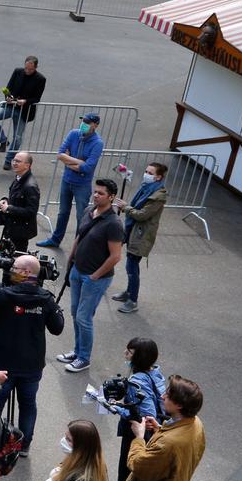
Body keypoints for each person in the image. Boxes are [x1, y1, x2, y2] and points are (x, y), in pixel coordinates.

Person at [0, 253, 63, 456]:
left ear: (26, 272)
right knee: (28, 404)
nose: (11, 270)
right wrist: (55, 309)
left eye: (15, 268)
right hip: (31, 365)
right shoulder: (45, 299)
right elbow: (57, 328)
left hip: (3, 363)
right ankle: (24, 444)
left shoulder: (5, 295)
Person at [55, 179, 124, 374]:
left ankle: (84, 358)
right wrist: (71, 258)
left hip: (95, 278)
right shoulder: (88, 211)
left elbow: (115, 256)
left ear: (111, 197)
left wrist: (95, 276)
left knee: (84, 318)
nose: (96, 195)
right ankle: (77, 351)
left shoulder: (113, 224)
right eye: (95, 192)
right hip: (77, 270)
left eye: (101, 193)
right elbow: (80, 235)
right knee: (75, 313)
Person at [106, 338, 166, 481]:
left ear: (138, 357)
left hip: (138, 435)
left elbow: (145, 415)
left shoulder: (136, 381)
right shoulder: (157, 373)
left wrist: (116, 408)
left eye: (130, 352)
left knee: (126, 475)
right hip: (156, 433)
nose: (126, 354)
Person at [36, 113, 104, 248]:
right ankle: (56, 239)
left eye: (87, 123)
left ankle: (78, 245)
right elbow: (60, 154)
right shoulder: (73, 134)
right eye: (83, 121)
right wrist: (78, 163)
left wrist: (69, 161)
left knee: (81, 216)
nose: (83, 124)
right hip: (67, 180)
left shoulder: (97, 143)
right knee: (63, 212)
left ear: (95, 125)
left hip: (82, 185)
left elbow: (88, 167)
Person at [111, 163, 169, 314]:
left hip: (141, 235)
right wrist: (128, 208)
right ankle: (128, 293)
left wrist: (126, 207)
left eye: (150, 173)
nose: (146, 174)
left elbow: (142, 214)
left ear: (158, 177)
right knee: (130, 266)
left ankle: (133, 300)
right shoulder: (146, 188)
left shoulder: (158, 196)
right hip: (133, 231)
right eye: (146, 171)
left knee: (131, 268)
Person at [0, 56, 47, 164]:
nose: (27, 71)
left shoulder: (40, 79)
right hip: (10, 106)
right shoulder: (17, 72)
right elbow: (8, 88)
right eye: (26, 68)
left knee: (18, 138)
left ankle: (8, 160)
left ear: (36, 67)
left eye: (31, 69)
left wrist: (25, 101)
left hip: (23, 111)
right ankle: (3, 141)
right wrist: (8, 98)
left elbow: (37, 98)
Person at [0, 152, 40, 248]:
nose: (14, 163)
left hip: (20, 232)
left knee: (16, 259)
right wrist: (5, 201)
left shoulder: (30, 186)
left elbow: (31, 211)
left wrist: (8, 209)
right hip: (12, 228)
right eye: (14, 160)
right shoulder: (18, 178)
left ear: (27, 165)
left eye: (18, 161)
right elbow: (16, 199)